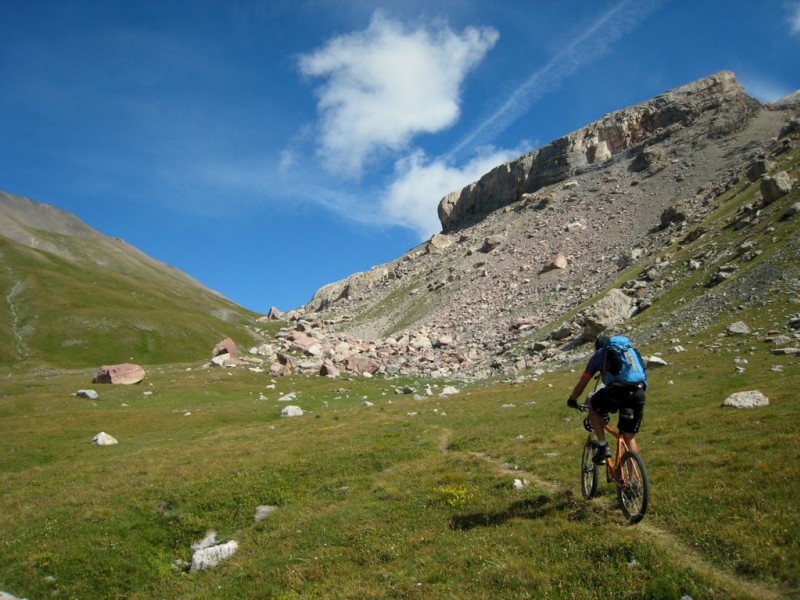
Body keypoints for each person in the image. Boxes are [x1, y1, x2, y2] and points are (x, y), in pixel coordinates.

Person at [566, 333, 647, 464]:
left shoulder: (600, 355)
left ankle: (603, 446)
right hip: (638, 393)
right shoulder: (629, 352)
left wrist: (572, 399)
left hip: (617, 391)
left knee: (593, 406)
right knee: (629, 437)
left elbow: (583, 382)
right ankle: (634, 481)